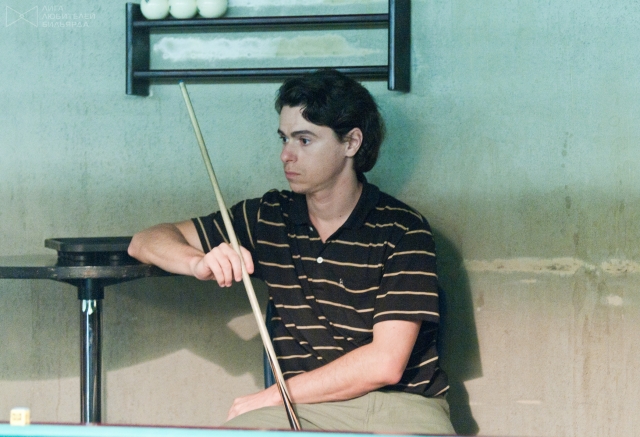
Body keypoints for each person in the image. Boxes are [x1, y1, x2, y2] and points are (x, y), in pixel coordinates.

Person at [128, 69, 455, 434]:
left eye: (304, 140)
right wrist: (198, 262)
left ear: (351, 143)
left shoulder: (403, 228)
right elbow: (144, 241)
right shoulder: (268, 216)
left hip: (400, 406)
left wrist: (273, 396)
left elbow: (385, 364)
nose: (286, 154)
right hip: (305, 410)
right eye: (284, 138)